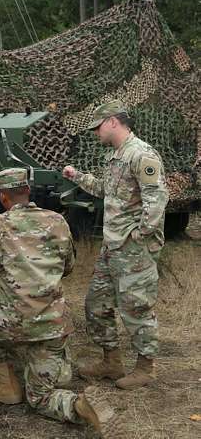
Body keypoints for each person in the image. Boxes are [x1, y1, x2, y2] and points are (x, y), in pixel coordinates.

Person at [0, 167, 126, 438]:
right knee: (42, 397)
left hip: (13, 323)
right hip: (55, 324)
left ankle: (6, 384)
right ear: (28, 191)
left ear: (2, 197)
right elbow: (68, 266)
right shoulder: (57, 220)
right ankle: (78, 405)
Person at [63, 100, 169, 389]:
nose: (96, 132)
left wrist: (140, 235)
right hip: (112, 249)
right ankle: (111, 362)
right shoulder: (116, 157)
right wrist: (77, 177)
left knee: (136, 308)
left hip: (132, 249)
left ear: (112, 122)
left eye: (97, 127)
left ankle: (146, 368)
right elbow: (105, 191)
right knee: (96, 305)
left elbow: (157, 199)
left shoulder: (141, 154)